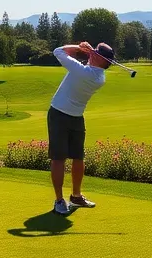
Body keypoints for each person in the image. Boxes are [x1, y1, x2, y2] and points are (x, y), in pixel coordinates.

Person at [47, 41, 113, 215]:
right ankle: (60, 200)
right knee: (64, 158)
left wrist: (79, 47)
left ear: (99, 58)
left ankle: (74, 197)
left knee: (71, 158)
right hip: (63, 115)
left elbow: (58, 51)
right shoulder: (99, 77)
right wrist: (90, 52)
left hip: (65, 115)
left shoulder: (85, 72)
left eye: (95, 52)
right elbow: (87, 64)